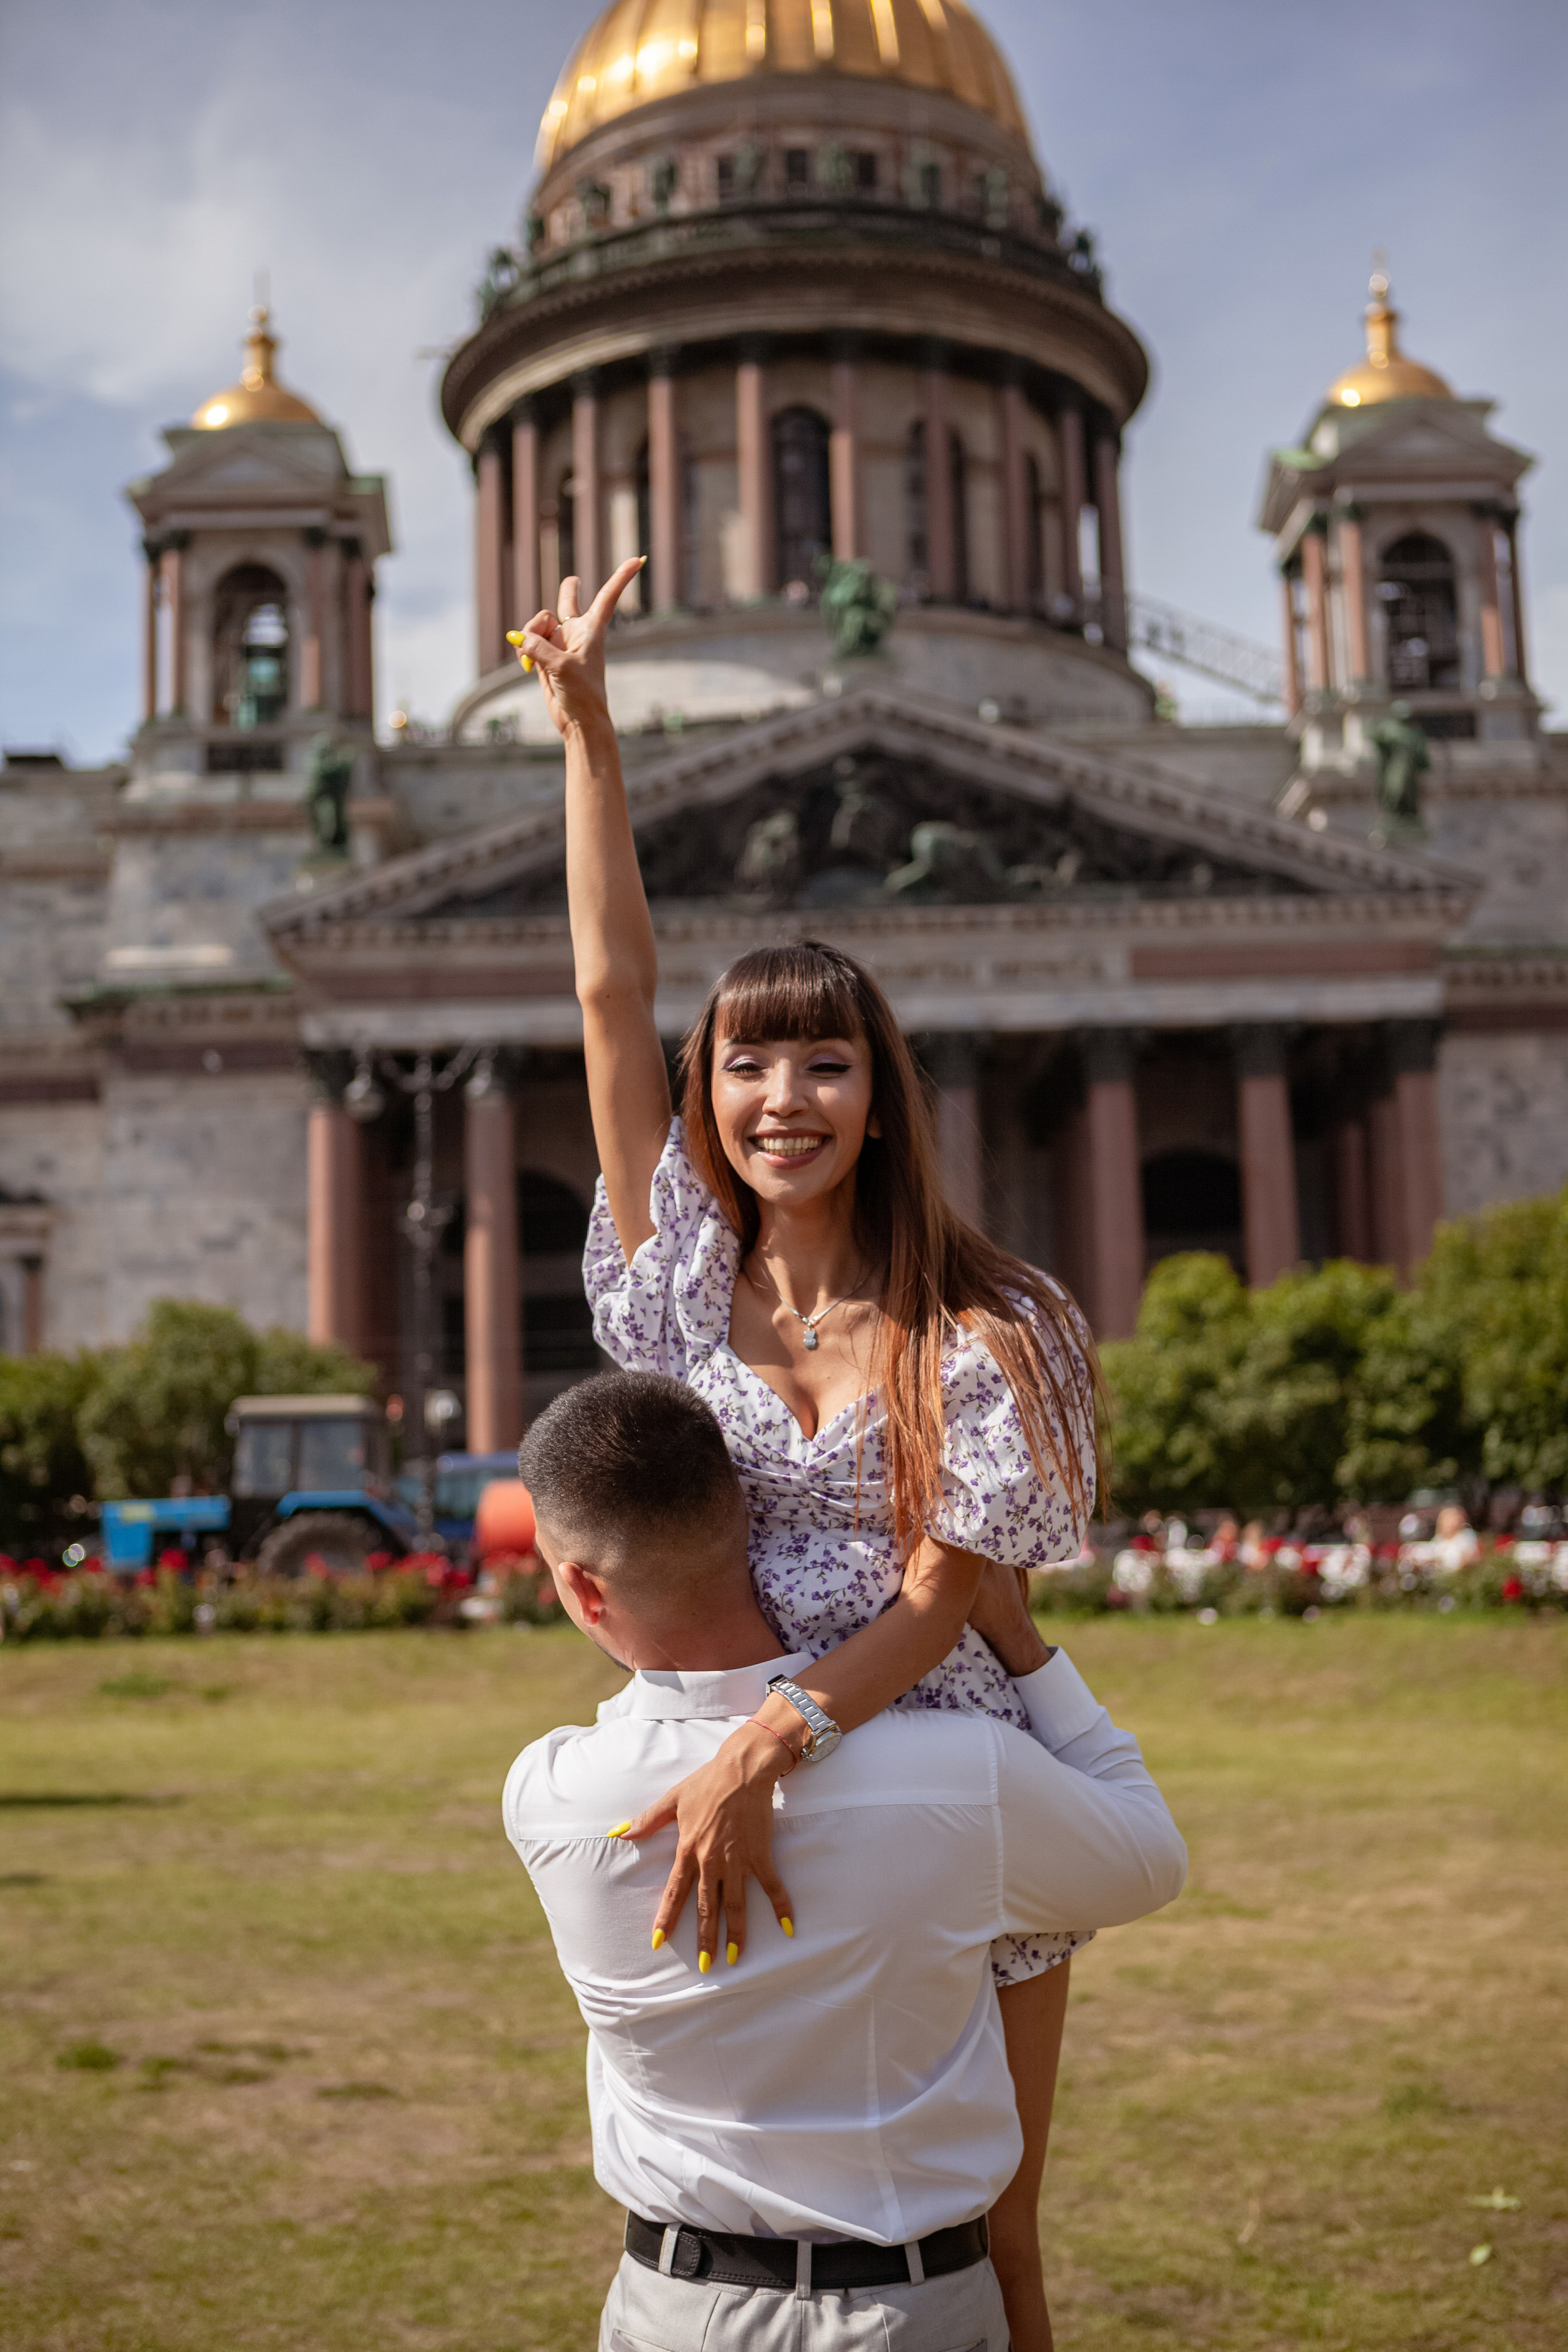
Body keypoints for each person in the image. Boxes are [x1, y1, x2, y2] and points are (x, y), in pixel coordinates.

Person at [514, 558, 1102, 2348]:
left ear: (879, 1090)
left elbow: (954, 1595)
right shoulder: (681, 1288)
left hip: (929, 1769)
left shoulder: (981, 1330)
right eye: (750, 1065)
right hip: (737, 1735)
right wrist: (592, 729)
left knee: (993, 2217)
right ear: (713, 1098)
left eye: (825, 1062)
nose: (784, 1099)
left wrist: (788, 1734)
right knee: (739, 2136)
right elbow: (616, 1001)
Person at [506, 1371, 1186, 2352]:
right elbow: (1151, 1857)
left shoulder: (550, 1797)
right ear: (752, 1521)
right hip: (911, 2312)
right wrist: (1023, 1647)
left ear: (580, 1585)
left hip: (673, 2309)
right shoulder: (960, 1774)